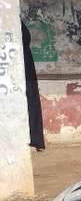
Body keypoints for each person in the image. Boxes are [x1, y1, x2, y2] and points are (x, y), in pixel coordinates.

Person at [21, 20, 44, 150]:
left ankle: (35, 140)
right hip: (23, 69)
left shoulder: (14, 24)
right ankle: (35, 140)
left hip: (22, 70)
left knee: (30, 103)